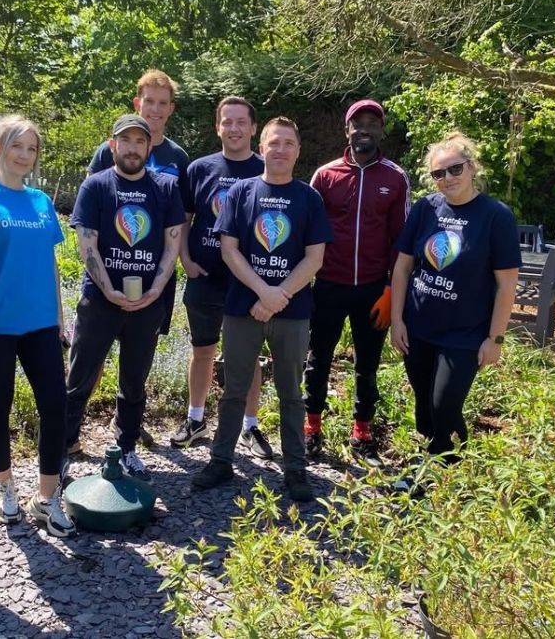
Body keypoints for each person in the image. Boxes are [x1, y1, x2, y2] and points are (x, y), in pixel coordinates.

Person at [192, 117, 333, 502]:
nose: (281, 150)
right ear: (263, 147)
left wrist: (279, 294)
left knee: (291, 391)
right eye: (274, 143)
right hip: (243, 308)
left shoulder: (309, 198)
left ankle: (295, 469)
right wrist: (262, 291)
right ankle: (221, 460)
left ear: (298, 150)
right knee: (234, 389)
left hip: (292, 311)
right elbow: (229, 249)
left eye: (289, 143)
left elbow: (315, 257)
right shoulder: (240, 192)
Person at [0, 114, 74, 537]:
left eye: (31, 149)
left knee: (54, 406)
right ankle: (6, 487)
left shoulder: (41, 202)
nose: (25, 156)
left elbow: (49, 265)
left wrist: (61, 318)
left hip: (41, 325)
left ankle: (47, 499)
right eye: (17, 147)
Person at [65, 114, 185, 482]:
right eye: (125, 140)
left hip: (147, 303)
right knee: (79, 379)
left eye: (139, 141)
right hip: (100, 300)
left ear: (149, 148)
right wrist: (109, 290)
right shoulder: (97, 186)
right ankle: (62, 449)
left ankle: (128, 447)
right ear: (113, 144)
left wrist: (155, 290)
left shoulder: (165, 187)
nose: (132, 147)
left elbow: (173, 242)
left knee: (134, 381)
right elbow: (86, 244)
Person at [391, 131, 520, 463]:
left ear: (472, 167)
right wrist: (396, 320)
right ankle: (448, 463)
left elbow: (507, 285)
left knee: (443, 404)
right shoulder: (425, 209)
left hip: (464, 334)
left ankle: (434, 473)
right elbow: (403, 267)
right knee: (424, 406)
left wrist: (496, 339)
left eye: (454, 169)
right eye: (438, 173)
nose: (446, 178)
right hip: (418, 329)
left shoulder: (496, 217)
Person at [80, 69, 189, 448]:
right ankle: (68, 436)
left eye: (163, 103)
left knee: (136, 368)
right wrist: (105, 285)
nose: (155, 109)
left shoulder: (176, 160)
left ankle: (125, 433)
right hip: (103, 283)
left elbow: (179, 222)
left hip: (152, 286)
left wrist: (167, 278)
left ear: (170, 109)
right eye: (149, 101)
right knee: (87, 363)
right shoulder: (103, 163)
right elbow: (91, 216)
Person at [302, 99, 409, 465]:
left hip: (373, 289)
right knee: (318, 359)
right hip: (328, 284)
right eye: (357, 123)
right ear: (346, 129)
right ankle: (311, 428)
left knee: (368, 363)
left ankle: (362, 432)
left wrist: (392, 289)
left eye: (372, 123)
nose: (365, 129)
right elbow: (309, 232)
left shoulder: (394, 177)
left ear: (381, 131)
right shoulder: (325, 175)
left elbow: (402, 239)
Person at [172, 96, 272, 459]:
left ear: (253, 128)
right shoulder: (200, 168)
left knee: (247, 356)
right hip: (205, 276)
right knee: (202, 350)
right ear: (217, 127)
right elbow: (184, 218)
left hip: (246, 283)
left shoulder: (266, 169)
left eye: (241, 122)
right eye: (226, 122)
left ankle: (250, 425)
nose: (233, 128)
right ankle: (195, 420)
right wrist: (185, 258)